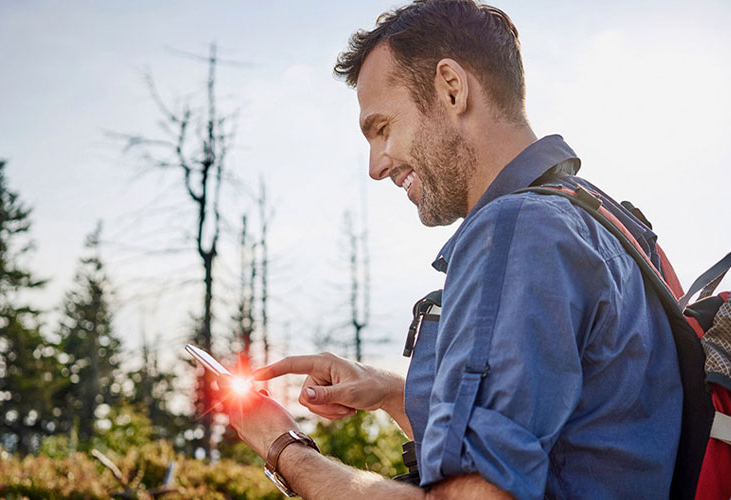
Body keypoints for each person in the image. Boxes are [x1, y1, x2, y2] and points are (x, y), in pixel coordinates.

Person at [222, 1, 683, 498]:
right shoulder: (601, 218)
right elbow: (579, 442)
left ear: (451, 87)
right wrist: (392, 394)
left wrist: (284, 447)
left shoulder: (517, 232)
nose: (376, 165)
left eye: (382, 129)